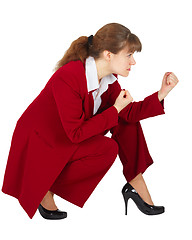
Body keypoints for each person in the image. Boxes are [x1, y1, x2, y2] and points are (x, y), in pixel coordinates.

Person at [1, 23, 179, 220]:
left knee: (126, 122)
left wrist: (162, 93)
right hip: (44, 140)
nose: (133, 61)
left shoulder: (108, 80)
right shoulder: (69, 75)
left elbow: (129, 113)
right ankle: (45, 187)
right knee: (108, 145)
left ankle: (136, 182)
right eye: (129, 55)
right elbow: (75, 133)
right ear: (108, 54)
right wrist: (115, 109)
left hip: (68, 136)